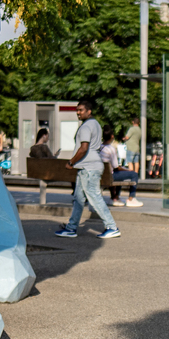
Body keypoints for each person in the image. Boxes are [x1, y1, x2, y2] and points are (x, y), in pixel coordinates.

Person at [54, 100, 120, 240]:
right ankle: (71, 228)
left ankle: (112, 227)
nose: (78, 113)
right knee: (78, 198)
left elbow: (84, 148)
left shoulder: (85, 127)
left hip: (88, 167)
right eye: (77, 110)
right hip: (88, 166)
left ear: (89, 111)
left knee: (94, 196)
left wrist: (71, 162)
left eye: (81, 110)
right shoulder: (95, 124)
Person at [100, 128, 143, 207]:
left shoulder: (99, 148)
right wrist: (127, 170)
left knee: (119, 174)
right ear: (112, 136)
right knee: (134, 174)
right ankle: (131, 198)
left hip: (101, 175)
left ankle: (114, 197)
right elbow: (116, 167)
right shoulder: (111, 149)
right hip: (110, 176)